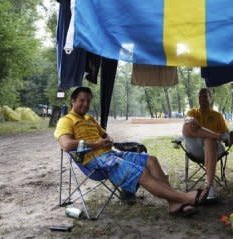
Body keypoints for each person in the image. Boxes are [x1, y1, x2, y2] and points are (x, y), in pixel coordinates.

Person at [54, 86, 207, 216]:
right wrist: (95, 144)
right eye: (82, 100)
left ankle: (173, 203)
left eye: (88, 100)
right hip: (95, 163)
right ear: (73, 101)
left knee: (151, 160)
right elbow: (66, 145)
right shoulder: (66, 120)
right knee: (141, 172)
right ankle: (185, 198)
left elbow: (105, 135)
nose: (86, 104)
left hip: (110, 154)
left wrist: (107, 140)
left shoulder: (90, 119)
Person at [183, 88, 233, 199]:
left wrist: (225, 138)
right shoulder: (192, 112)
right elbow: (187, 122)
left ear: (210, 98)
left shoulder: (217, 116)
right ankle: (215, 136)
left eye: (205, 96)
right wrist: (193, 122)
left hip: (213, 149)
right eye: (200, 96)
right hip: (196, 149)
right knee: (188, 123)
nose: (202, 99)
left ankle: (209, 187)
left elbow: (226, 134)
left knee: (209, 140)